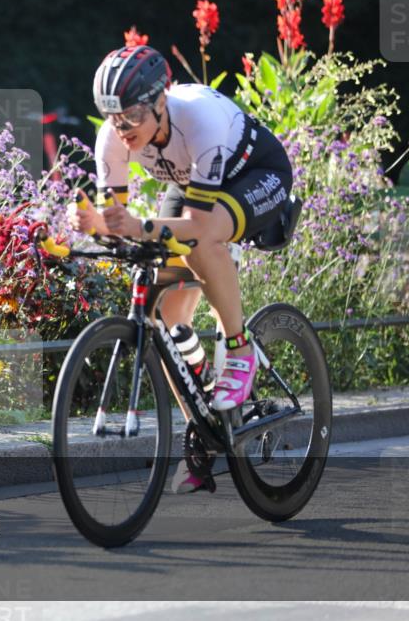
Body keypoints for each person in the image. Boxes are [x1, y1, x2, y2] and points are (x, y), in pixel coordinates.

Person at [69, 44, 295, 493]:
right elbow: (118, 223)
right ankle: (204, 431)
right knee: (165, 312)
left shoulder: (198, 121)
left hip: (256, 173)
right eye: (112, 116)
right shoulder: (112, 139)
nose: (121, 127)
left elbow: (194, 227)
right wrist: (98, 226)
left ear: (160, 100)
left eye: (131, 115)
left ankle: (240, 348)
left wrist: (136, 224)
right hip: (193, 184)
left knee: (201, 242)